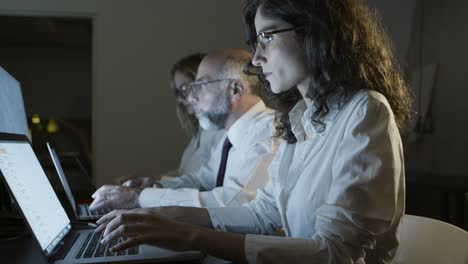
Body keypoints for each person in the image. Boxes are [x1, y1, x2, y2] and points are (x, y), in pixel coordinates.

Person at [95, 0, 412, 263]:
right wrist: (161, 215)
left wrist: (187, 235)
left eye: (267, 38)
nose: (257, 60)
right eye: (256, 43)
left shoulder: (365, 111)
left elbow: (336, 253)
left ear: (314, 31)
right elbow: (264, 212)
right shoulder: (297, 118)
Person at [90, 49, 278, 210]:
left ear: (235, 90)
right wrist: (154, 185)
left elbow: (234, 203)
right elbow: (204, 180)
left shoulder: (266, 133)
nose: (191, 99)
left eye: (200, 86)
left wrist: (139, 198)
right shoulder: (230, 135)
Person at [116, 53, 226, 188]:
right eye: (178, 92)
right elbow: (185, 174)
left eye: (185, 89)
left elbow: (208, 185)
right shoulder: (201, 131)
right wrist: (149, 180)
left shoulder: (222, 133)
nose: (181, 99)